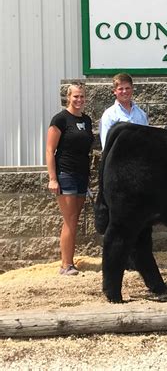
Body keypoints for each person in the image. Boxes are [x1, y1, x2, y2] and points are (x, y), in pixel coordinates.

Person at [46, 83, 94, 275]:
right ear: (68, 97)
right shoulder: (60, 119)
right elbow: (50, 150)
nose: (79, 100)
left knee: (75, 219)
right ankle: (66, 265)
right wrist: (52, 178)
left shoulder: (87, 120)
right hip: (65, 175)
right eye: (75, 96)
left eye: (82, 96)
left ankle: (70, 262)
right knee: (70, 219)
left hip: (82, 175)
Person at [99, 73, 148, 149]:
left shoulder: (141, 114)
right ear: (115, 91)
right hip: (117, 159)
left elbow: (147, 142)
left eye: (127, 88)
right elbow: (106, 146)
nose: (124, 91)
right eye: (120, 89)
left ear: (132, 89)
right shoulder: (109, 115)